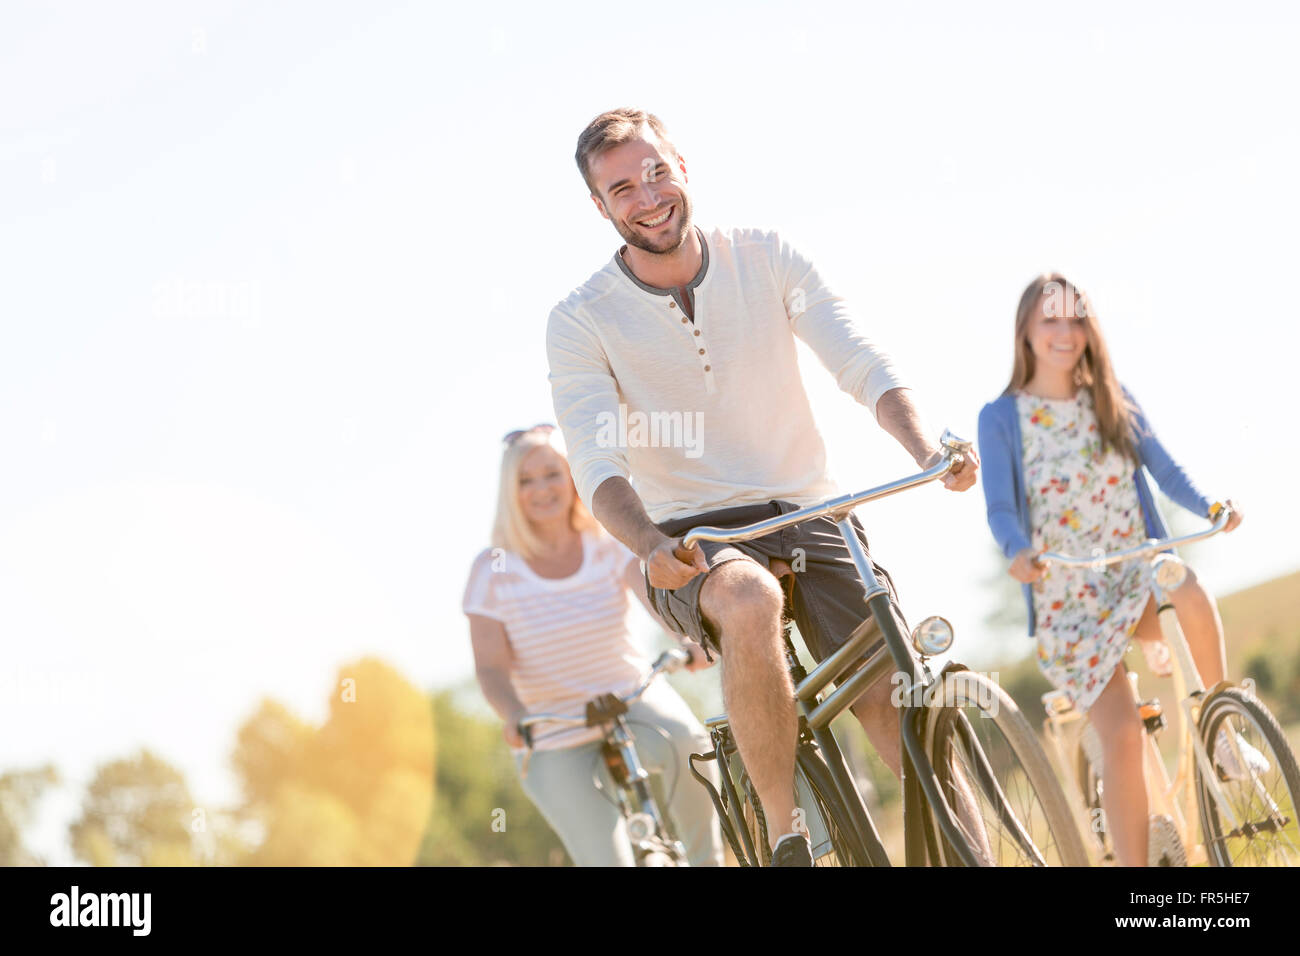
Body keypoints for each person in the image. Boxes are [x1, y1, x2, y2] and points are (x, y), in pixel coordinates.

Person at [545, 108, 978, 866]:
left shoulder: (765, 256)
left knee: (892, 703)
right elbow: (596, 459)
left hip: (810, 508)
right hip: (692, 537)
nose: (647, 196)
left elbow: (859, 359)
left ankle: (974, 856)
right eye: (622, 188)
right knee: (750, 600)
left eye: (656, 172)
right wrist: (650, 545)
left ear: (683, 166)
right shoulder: (581, 319)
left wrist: (923, 445)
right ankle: (788, 833)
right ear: (599, 207)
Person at [977, 273, 1253, 867]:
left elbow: (1165, 468)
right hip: (1068, 599)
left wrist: (1209, 505)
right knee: (1123, 738)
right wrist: (1018, 551)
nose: (1064, 331)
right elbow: (999, 506)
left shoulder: (1110, 397)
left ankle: (1223, 730)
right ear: (1025, 330)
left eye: (1076, 319)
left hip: (1135, 573)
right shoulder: (1001, 417)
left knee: (1187, 584)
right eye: (1049, 319)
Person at [462, 424, 724, 867]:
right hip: (552, 730)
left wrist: (687, 638)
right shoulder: (492, 569)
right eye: (526, 481)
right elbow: (489, 667)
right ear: (511, 492)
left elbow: (653, 599)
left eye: (552, 474)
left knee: (689, 744)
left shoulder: (605, 544)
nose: (542, 489)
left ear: (571, 477)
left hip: (631, 697)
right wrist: (514, 714)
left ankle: (708, 861)